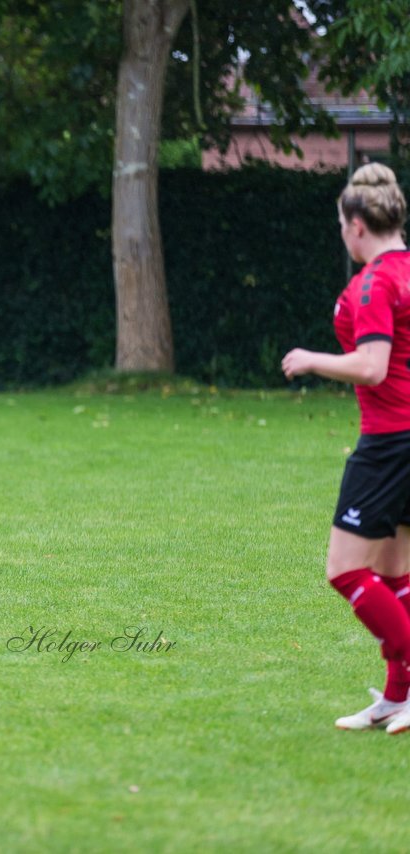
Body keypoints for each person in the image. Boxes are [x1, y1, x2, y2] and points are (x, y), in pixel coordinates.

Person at [282, 162, 410, 735]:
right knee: (395, 571)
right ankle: (396, 697)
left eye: (341, 223)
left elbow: (372, 366)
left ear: (357, 225)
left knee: (346, 572)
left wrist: (310, 359)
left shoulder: (379, 280)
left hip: (389, 443)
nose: (341, 232)